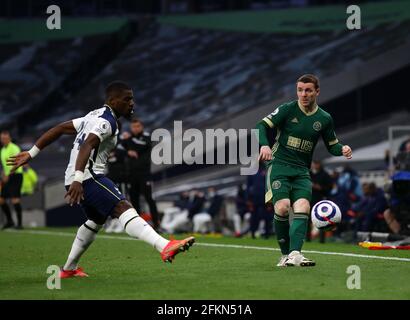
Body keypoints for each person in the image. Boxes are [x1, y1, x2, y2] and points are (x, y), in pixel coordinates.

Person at [7, 81, 195, 278]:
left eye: (132, 98)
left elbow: (60, 128)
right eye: (127, 99)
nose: (132, 103)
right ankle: (164, 246)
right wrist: (79, 179)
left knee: (96, 220)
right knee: (123, 206)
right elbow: (87, 144)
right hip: (88, 176)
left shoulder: (93, 115)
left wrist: (32, 152)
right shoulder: (107, 122)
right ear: (113, 101)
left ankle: (69, 269)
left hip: (76, 176)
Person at [256, 74, 352, 267]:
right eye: (300, 90)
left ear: (317, 91)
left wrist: (342, 148)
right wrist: (264, 146)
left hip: (301, 170)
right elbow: (261, 125)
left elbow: (332, 144)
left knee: (303, 208)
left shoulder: (324, 118)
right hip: (279, 165)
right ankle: (285, 255)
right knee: (282, 207)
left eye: (308, 90)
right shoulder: (287, 109)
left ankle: (295, 254)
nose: (304, 94)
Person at [122, 118, 160, 230]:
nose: (135, 128)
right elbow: (118, 149)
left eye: (138, 126)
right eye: (133, 127)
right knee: (134, 201)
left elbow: (141, 146)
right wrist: (127, 151)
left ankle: (157, 225)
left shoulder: (146, 137)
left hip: (144, 174)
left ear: (142, 127)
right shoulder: (128, 139)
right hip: (132, 175)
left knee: (150, 199)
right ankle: (138, 227)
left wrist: (129, 142)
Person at [0, 130, 24, 229]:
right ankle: (10, 221)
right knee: (1, 199)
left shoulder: (14, 148)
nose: (3, 140)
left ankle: (19, 224)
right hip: (7, 177)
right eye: (2, 138)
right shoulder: (2, 150)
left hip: (16, 176)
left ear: (9, 138)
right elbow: (4, 165)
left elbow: (18, 162)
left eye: (5, 138)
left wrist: (8, 175)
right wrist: (3, 175)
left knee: (15, 199)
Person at [308, 159, 333, 242]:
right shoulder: (309, 174)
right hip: (309, 199)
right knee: (307, 219)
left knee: (322, 220)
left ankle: (322, 239)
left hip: (320, 200)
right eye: (314, 163)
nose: (315, 165)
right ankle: (307, 238)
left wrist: (320, 188)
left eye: (317, 163)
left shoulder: (325, 175)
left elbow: (330, 188)